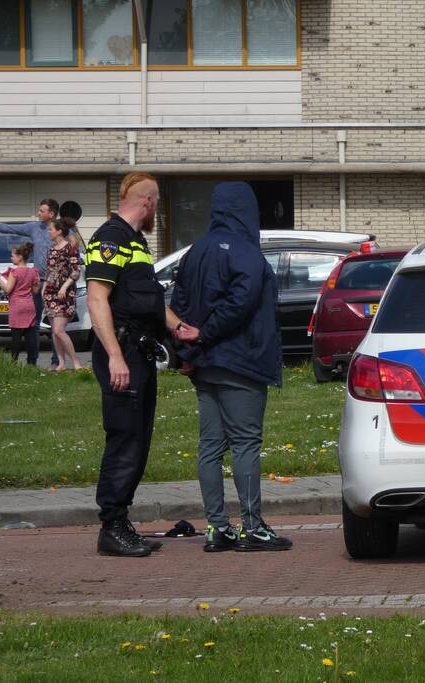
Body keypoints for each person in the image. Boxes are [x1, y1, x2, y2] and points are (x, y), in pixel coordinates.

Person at [171, 182, 291, 553]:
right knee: (245, 444)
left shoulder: (194, 252)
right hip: (242, 361)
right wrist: (206, 333)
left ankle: (216, 527)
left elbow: (179, 303)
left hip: (205, 365)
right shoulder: (248, 253)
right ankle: (252, 527)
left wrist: (186, 350)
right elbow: (244, 300)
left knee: (210, 446)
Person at [85, 172, 192, 558]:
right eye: (158, 204)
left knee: (138, 440)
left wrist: (179, 326)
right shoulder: (110, 238)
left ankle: (121, 521)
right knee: (124, 438)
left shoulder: (136, 242)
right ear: (147, 202)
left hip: (139, 352)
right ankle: (111, 527)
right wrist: (114, 355)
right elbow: (97, 300)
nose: (157, 213)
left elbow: (146, 300)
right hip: (123, 353)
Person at [0, 199, 60, 367]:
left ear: (52, 214)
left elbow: (72, 252)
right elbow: (8, 228)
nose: (38, 213)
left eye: (42, 211)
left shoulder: (62, 230)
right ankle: (32, 362)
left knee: (56, 324)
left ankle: (57, 362)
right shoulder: (33, 227)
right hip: (37, 281)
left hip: (55, 284)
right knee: (33, 325)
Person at [42, 218, 84, 371]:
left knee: (59, 330)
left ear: (59, 231)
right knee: (54, 331)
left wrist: (64, 288)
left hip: (64, 294)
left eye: (50, 229)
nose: (48, 232)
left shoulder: (70, 248)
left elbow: (76, 271)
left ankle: (76, 362)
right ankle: (61, 363)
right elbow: (49, 272)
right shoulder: (51, 250)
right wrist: (44, 288)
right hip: (50, 293)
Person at [0, 243, 39, 363]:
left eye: (12, 256)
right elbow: (35, 290)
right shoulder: (33, 272)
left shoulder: (14, 273)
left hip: (17, 306)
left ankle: (13, 362)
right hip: (29, 305)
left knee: (16, 337)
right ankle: (32, 363)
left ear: (19, 257)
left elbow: (8, 289)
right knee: (30, 336)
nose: (11, 258)